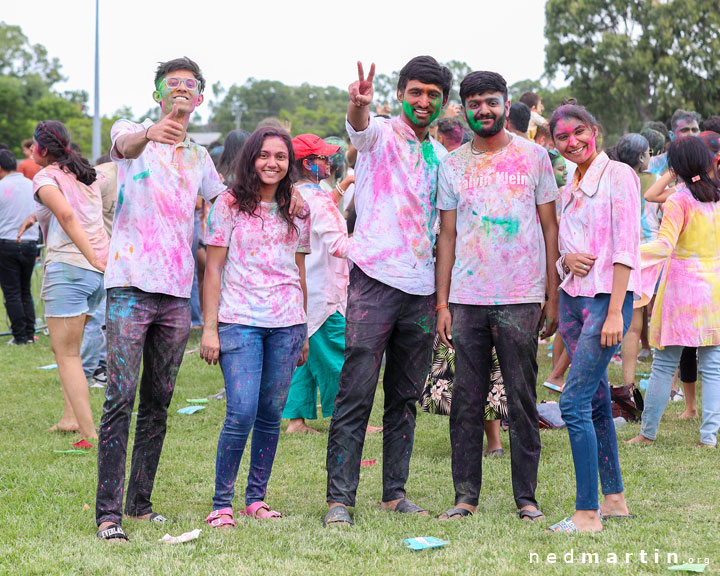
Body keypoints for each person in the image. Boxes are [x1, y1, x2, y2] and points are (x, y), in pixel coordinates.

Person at [95, 57, 227, 542]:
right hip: (129, 284)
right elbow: (124, 144)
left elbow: (225, 204)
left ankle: (140, 503)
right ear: (157, 94)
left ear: (199, 98)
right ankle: (108, 514)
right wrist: (152, 132)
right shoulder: (132, 134)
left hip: (176, 293)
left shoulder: (200, 157)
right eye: (171, 85)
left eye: (189, 86)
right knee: (120, 398)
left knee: (159, 400)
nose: (180, 91)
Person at [324, 56, 452, 527]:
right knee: (356, 392)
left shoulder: (439, 156)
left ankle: (394, 493)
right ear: (400, 94)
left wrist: (441, 300)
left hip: (420, 293)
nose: (423, 102)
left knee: (404, 397)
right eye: (415, 92)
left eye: (432, 95)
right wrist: (358, 106)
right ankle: (340, 499)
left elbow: (445, 232)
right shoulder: (380, 133)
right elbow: (358, 130)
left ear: (442, 102)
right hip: (374, 281)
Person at [435, 70, 560, 522]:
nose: (483, 110)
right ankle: (465, 497)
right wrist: (443, 303)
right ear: (464, 109)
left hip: (521, 297)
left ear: (506, 106)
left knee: (523, 400)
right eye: (474, 103)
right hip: (466, 300)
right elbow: (446, 236)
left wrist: (553, 294)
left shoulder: (534, 158)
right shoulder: (452, 165)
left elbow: (550, 228)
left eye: (491, 101)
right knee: (466, 401)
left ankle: (526, 498)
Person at [201, 126, 310, 527]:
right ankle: (221, 503)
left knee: (269, 413)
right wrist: (209, 329)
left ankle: (256, 498)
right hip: (239, 321)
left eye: (280, 157)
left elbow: (299, 269)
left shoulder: (297, 209)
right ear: (251, 158)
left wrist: (304, 329)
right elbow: (212, 268)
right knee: (241, 411)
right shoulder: (228, 203)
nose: (272, 163)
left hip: (288, 324)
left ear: (289, 163)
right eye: (264, 155)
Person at [549, 103, 641, 533]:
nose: (573, 142)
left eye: (578, 132)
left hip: (606, 302)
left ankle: (587, 514)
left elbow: (626, 246)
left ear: (595, 130)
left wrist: (617, 312)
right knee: (598, 401)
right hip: (573, 301)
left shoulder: (619, 175)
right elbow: (566, 250)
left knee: (572, 402)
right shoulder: (569, 183)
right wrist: (566, 258)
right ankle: (615, 500)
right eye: (563, 137)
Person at [627, 137, 720, 448]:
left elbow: (664, 245)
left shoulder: (679, 200)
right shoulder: (716, 197)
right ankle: (708, 437)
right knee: (713, 366)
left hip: (682, 293)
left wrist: (627, 256)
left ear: (676, 167)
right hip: (715, 292)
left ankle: (647, 433)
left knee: (665, 365)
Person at [29, 121, 110, 439]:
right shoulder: (86, 175)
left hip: (70, 269)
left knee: (67, 354)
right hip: (96, 275)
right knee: (70, 353)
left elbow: (66, 216)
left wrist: (90, 254)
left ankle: (89, 433)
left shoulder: (45, 177)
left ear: (42, 149)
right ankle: (69, 418)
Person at [282, 134, 347, 434]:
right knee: (338, 357)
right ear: (307, 164)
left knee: (302, 358)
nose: (329, 162)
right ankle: (345, 418)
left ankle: (296, 420)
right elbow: (337, 243)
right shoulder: (316, 197)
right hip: (324, 291)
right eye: (323, 158)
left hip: (303, 288)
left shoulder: (294, 193)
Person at [615, 134, 656, 388]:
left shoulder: (613, 177)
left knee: (632, 323)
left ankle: (628, 383)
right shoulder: (653, 180)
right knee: (656, 319)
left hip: (624, 256)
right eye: (649, 152)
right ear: (641, 156)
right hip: (651, 257)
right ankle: (669, 384)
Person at [0, 150, 39, 345]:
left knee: (12, 292)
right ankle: (30, 333)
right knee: (25, 290)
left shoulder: (1, 186)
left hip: (7, 244)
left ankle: (20, 336)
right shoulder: (32, 185)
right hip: (31, 244)